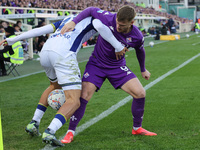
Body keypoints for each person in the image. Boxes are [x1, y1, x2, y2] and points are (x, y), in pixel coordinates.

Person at [0, 15, 127, 146]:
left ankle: (34, 122)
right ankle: (50, 131)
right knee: (74, 101)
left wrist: (14, 39)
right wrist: (118, 46)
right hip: (63, 54)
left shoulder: (69, 18)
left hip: (46, 52)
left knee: (54, 85)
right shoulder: (95, 18)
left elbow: (42, 29)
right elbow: (100, 26)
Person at [60, 5, 157, 144]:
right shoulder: (108, 17)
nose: (118, 26)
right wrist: (73, 22)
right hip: (96, 65)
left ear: (132, 22)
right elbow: (91, 9)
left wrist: (143, 69)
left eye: (122, 25)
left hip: (117, 67)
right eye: (117, 22)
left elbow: (140, 50)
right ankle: (70, 131)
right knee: (84, 95)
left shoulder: (137, 36)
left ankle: (137, 128)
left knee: (140, 93)